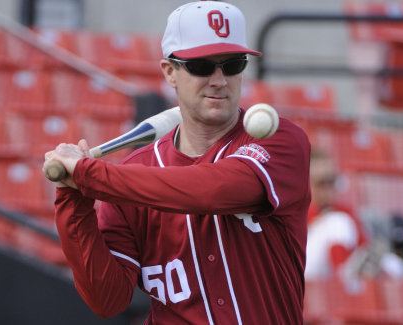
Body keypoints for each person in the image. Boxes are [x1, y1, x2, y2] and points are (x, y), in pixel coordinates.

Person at [44, 2, 311, 324]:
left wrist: (90, 173)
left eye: (232, 64)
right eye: (201, 66)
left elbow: (211, 190)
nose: (219, 80)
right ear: (170, 72)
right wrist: (72, 198)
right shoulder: (132, 173)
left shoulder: (279, 140)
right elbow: (108, 298)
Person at [305, 148, 403, 282]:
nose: (329, 189)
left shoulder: (344, 211)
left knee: (396, 265)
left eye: (332, 181)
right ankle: (348, 281)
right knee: (337, 223)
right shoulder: (296, 209)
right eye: (322, 183)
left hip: (337, 270)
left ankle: (362, 283)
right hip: (303, 272)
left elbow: (363, 246)